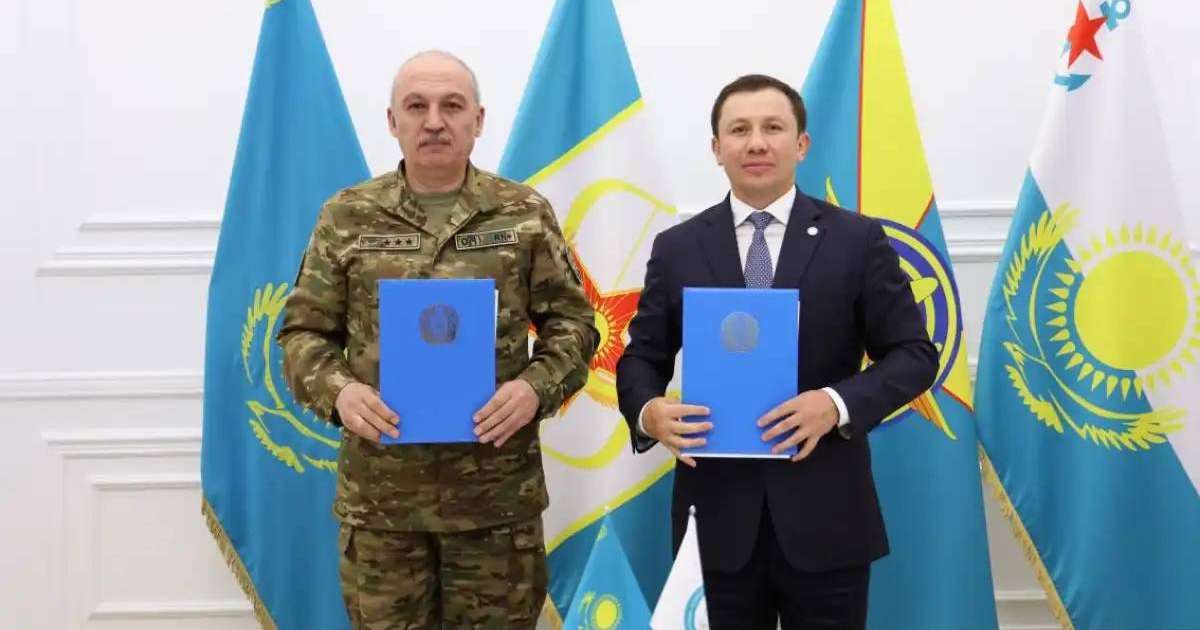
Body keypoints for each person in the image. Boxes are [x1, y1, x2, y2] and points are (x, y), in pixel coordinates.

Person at [277, 50, 598, 629]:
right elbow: (303, 332)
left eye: (452, 106)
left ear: (478, 120)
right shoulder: (346, 216)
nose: (433, 121)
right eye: (416, 106)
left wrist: (535, 387)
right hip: (383, 505)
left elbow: (573, 324)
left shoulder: (523, 212)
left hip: (495, 503)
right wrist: (340, 393)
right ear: (392, 120)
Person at [615, 74, 937, 630]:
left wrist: (835, 404)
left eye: (773, 128)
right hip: (714, 520)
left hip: (827, 514)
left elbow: (912, 354)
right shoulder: (679, 247)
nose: (756, 143)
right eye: (738, 130)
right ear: (716, 149)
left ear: (801, 144)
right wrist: (649, 411)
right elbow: (642, 358)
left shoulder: (857, 240)